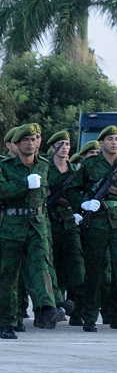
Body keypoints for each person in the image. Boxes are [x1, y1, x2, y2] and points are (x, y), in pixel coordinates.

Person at [65, 125, 117, 331]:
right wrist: (83, 204)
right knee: (97, 271)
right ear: (101, 143)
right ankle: (90, 316)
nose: (114, 142)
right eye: (110, 139)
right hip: (97, 223)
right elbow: (73, 189)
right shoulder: (90, 164)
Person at [0, 123, 61, 338]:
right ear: (16, 144)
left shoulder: (44, 165)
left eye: (35, 138)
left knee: (40, 266)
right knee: (9, 276)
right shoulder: (4, 165)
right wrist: (24, 184)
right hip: (11, 226)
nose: (31, 142)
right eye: (26, 139)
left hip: (37, 223)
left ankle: (46, 309)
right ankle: (7, 321)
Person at [46, 130, 86, 326]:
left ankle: (76, 310)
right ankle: (53, 308)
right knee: (53, 265)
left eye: (68, 144)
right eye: (61, 144)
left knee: (76, 265)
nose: (65, 148)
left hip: (70, 222)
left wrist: (79, 209)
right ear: (53, 147)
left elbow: (79, 194)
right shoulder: (45, 168)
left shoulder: (74, 171)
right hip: (50, 222)